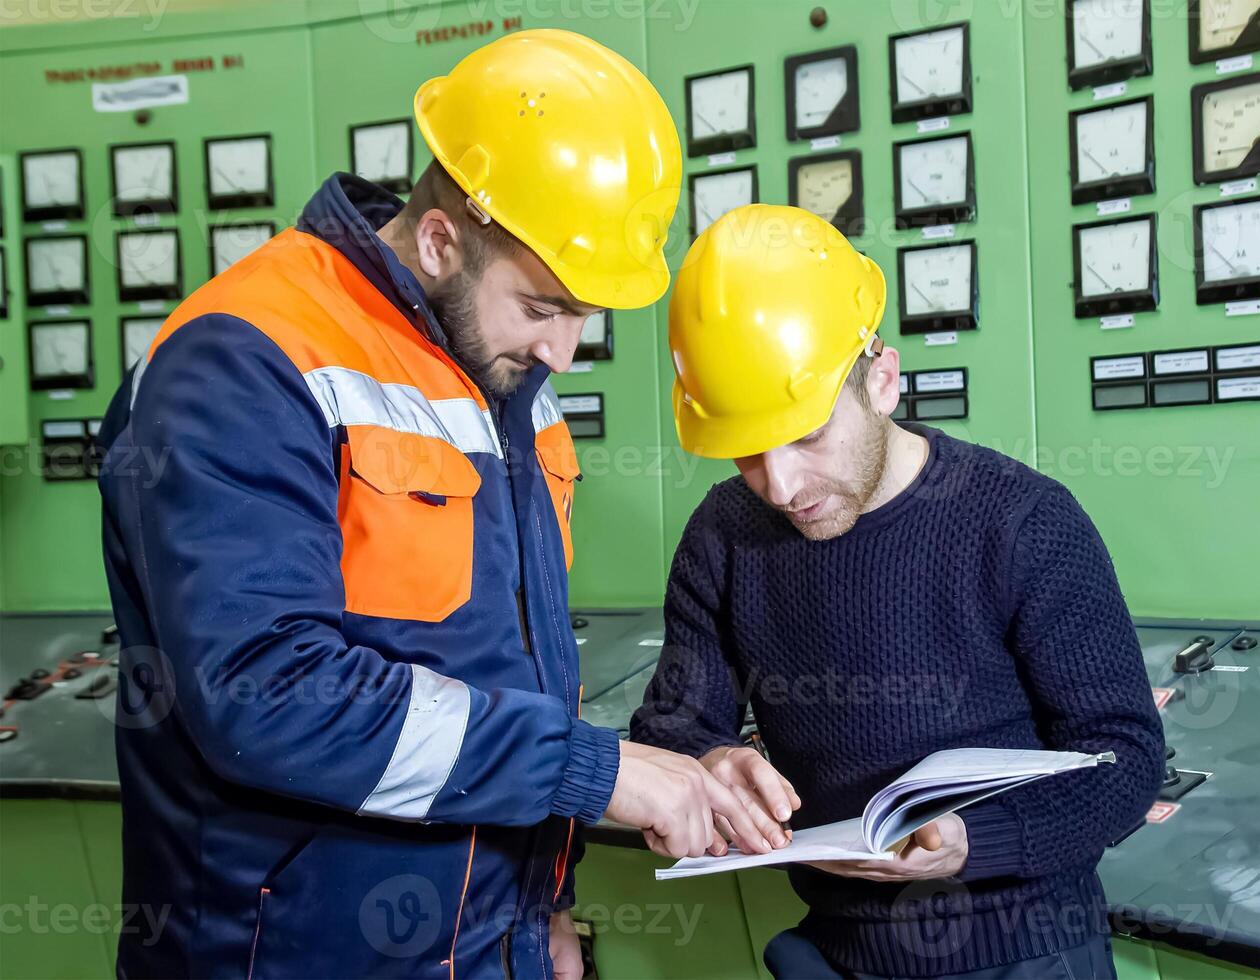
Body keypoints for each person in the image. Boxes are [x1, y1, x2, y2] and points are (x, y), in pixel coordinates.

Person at [97, 30, 767, 979]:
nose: (563, 352)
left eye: (585, 315)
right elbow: (266, 692)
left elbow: (506, 673)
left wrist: (547, 911)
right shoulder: (244, 356)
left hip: (492, 946)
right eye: (543, 307)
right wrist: (597, 771)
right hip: (290, 955)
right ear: (442, 239)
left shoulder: (504, 378)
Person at [630, 205, 1165, 979]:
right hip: (833, 947)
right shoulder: (724, 534)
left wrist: (972, 845)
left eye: (807, 436)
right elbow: (671, 721)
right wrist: (705, 757)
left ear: (881, 379)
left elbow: (1124, 758)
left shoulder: (1021, 521)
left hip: (1029, 952)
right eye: (746, 451)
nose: (779, 485)